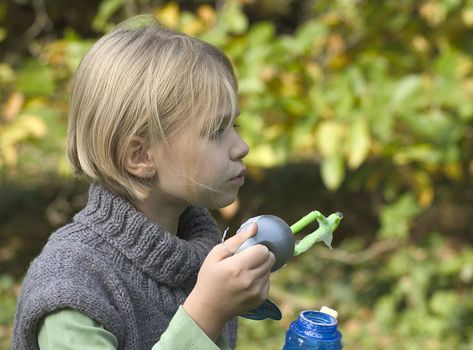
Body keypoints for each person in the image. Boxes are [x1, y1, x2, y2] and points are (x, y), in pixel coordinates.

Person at [13, 15, 276, 350]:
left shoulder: (198, 254)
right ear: (140, 156)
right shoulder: (71, 287)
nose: (242, 147)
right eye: (215, 132)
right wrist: (206, 314)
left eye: (234, 125)